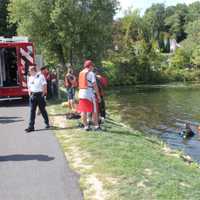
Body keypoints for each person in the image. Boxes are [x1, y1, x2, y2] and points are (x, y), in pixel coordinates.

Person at [25, 65, 50, 132]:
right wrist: (29, 93)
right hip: (33, 96)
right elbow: (29, 86)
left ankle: (47, 123)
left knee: (42, 110)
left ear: (33, 71)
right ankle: (31, 127)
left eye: (29, 71)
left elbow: (44, 85)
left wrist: (43, 94)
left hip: (40, 95)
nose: (29, 72)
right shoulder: (30, 77)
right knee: (32, 111)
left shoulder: (40, 76)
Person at [78, 60, 101, 131]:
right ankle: (96, 126)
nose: (93, 67)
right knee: (94, 110)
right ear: (90, 66)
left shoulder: (81, 73)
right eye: (92, 66)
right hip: (89, 93)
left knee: (83, 111)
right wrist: (98, 96)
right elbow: (95, 85)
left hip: (81, 93)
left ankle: (86, 127)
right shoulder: (91, 73)